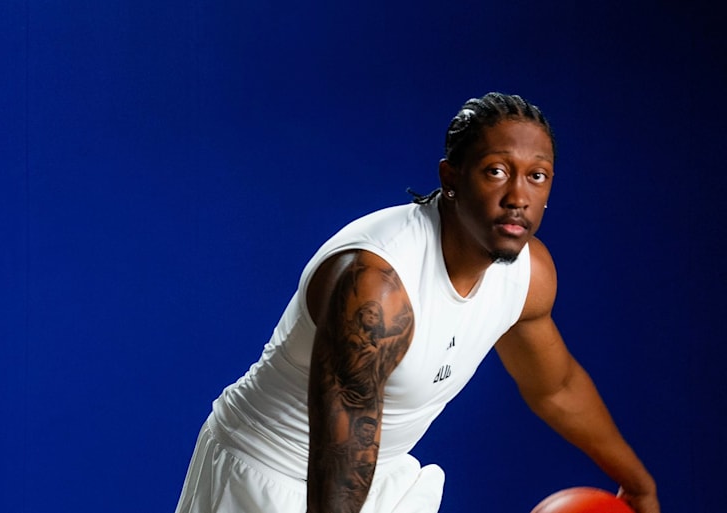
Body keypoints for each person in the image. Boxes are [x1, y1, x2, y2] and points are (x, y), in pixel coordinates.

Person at [175, 92, 660, 513]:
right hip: (267, 475)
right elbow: (341, 456)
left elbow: (556, 387)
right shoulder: (377, 286)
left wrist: (637, 482)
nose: (518, 196)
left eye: (537, 176)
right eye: (496, 171)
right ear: (451, 177)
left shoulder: (527, 275)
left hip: (377, 476)